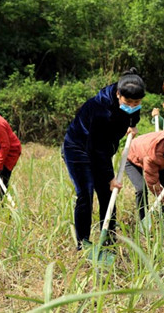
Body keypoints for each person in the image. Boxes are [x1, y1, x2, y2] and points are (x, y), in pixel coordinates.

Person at [62, 68, 145, 250]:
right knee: (86, 193)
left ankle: (108, 240)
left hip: (101, 149)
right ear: (118, 94)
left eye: (136, 102)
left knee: (107, 194)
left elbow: (133, 114)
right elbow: (96, 150)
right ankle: (83, 243)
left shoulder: (129, 97)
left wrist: (132, 125)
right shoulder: (100, 110)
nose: (132, 106)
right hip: (78, 149)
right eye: (128, 102)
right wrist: (109, 177)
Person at [125, 130, 164, 223]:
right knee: (141, 190)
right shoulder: (151, 157)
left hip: (153, 157)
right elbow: (156, 188)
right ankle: (143, 222)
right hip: (131, 158)